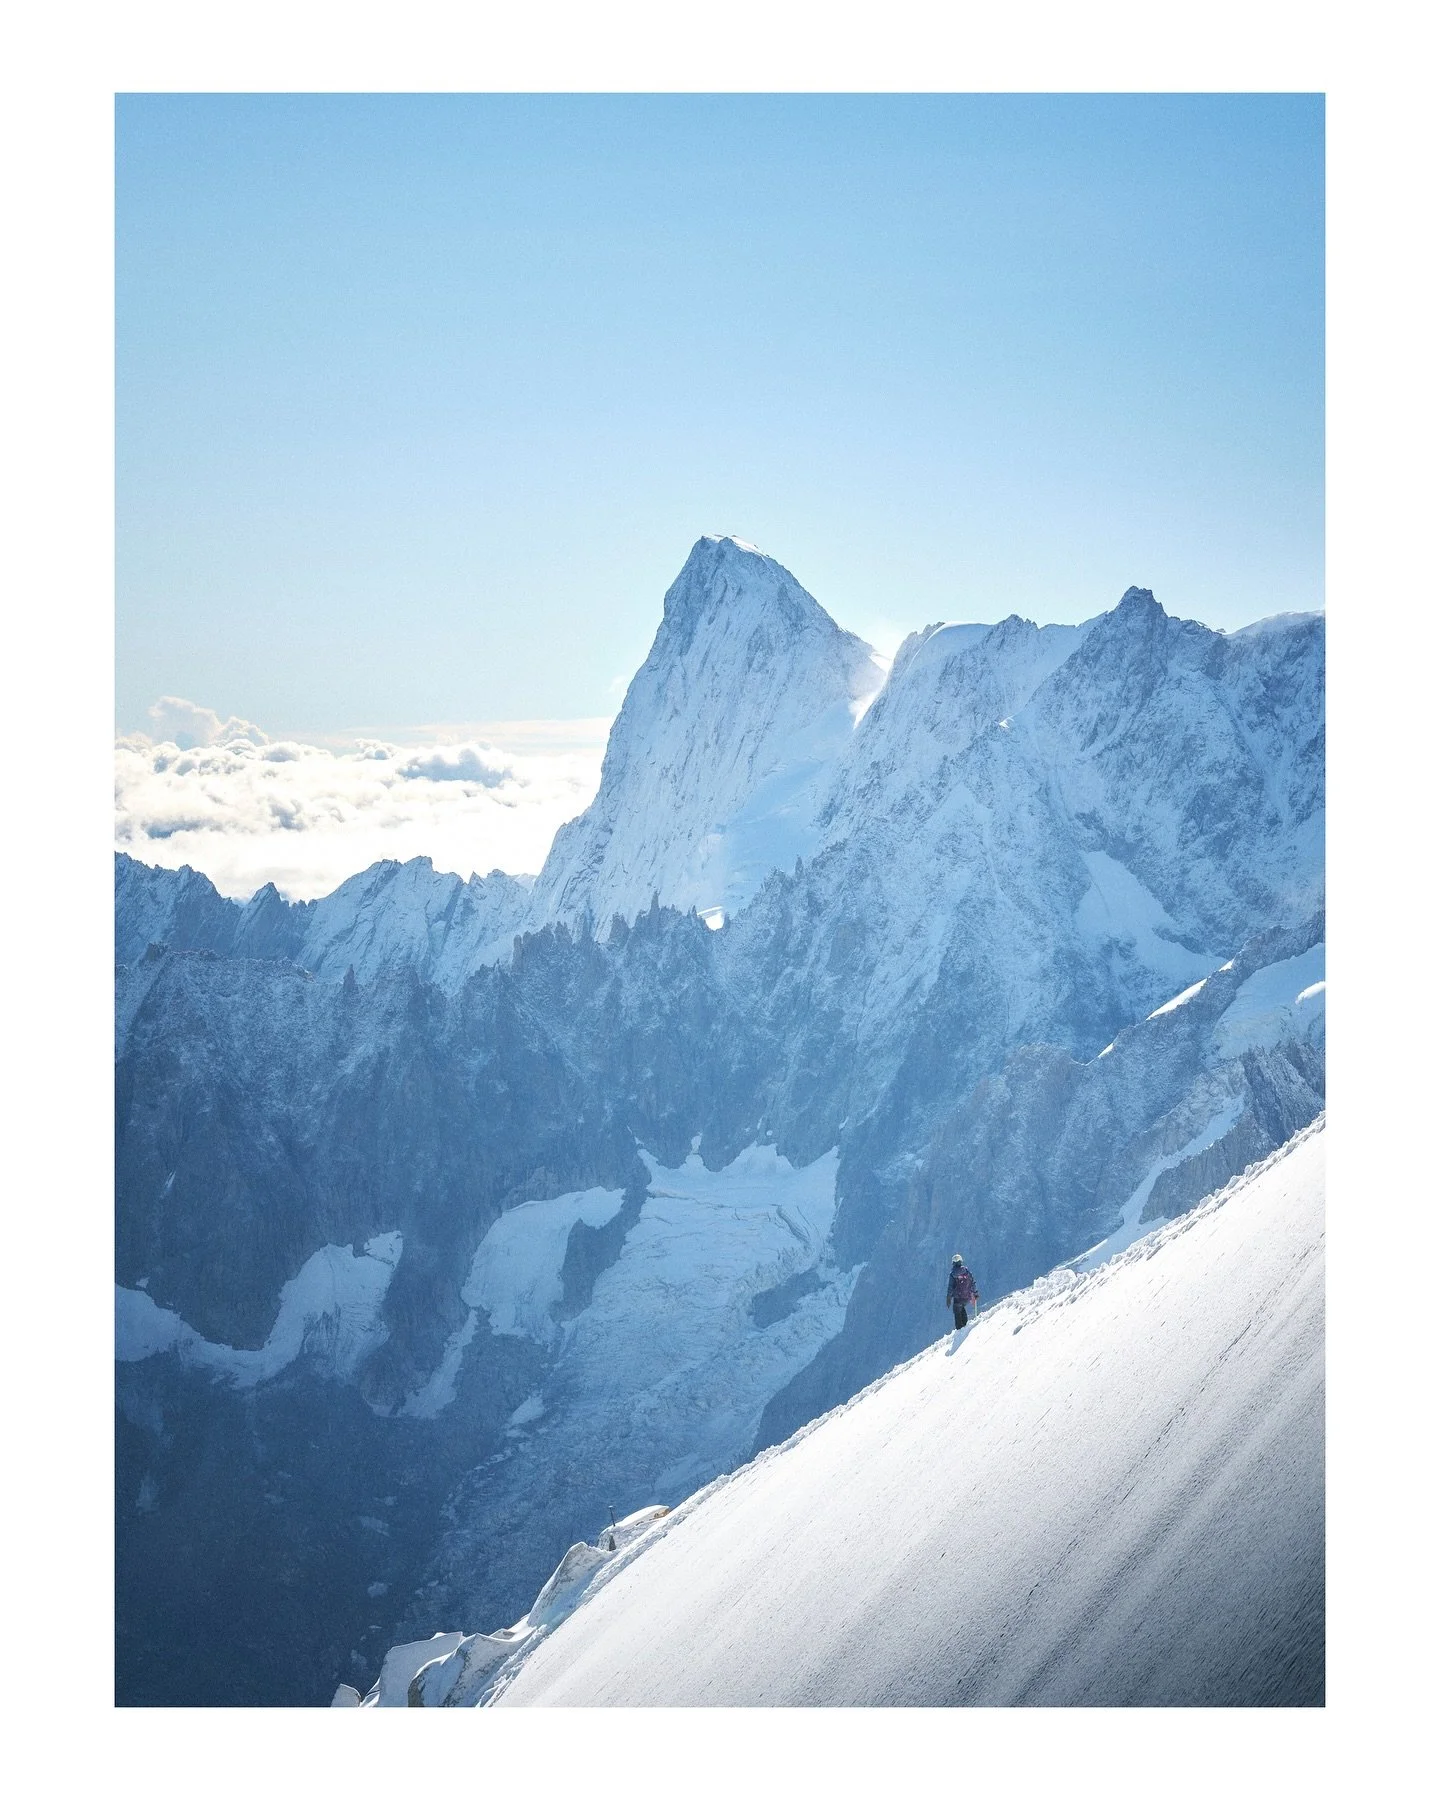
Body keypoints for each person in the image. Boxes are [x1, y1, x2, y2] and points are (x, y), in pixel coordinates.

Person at [945, 1253, 980, 1330]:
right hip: (966, 1297)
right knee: (962, 1308)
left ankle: (960, 1330)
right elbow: (972, 1282)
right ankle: (965, 1327)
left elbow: (950, 1287)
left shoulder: (953, 1274)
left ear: (953, 1263)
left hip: (958, 1298)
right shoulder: (966, 1271)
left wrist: (948, 1298)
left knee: (957, 1312)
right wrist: (975, 1293)